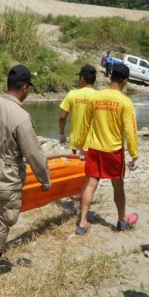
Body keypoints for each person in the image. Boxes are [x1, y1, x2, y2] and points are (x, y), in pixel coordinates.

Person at [0, 64, 51, 278]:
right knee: (6, 217)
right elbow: (34, 154)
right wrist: (44, 180)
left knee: (0, 211)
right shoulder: (21, 117)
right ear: (24, 88)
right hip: (7, 177)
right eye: (28, 89)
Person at [74, 63, 139, 235]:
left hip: (94, 149)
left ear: (110, 77)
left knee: (91, 184)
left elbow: (85, 124)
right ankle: (121, 220)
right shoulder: (125, 102)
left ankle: (82, 222)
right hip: (113, 151)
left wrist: (80, 145)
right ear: (125, 81)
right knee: (118, 187)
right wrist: (134, 154)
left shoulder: (95, 98)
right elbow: (130, 131)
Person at [58, 65, 97, 211]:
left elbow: (62, 117)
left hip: (74, 142)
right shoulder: (98, 97)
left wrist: (62, 134)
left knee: (75, 172)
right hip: (91, 143)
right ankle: (84, 200)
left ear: (81, 79)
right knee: (88, 173)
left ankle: (75, 201)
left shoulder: (72, 95)